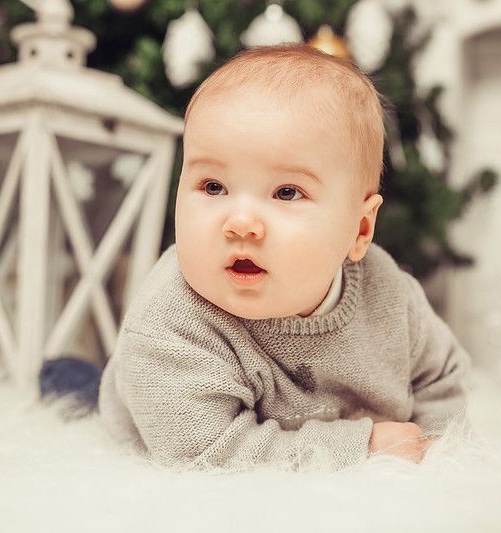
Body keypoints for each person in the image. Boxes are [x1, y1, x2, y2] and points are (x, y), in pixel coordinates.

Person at [98, 44, 471, 471]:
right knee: (74, 384)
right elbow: (205, 454)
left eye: (286, 192)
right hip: (150, 410)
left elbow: (441, 379)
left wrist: (432, 450)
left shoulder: (389, 296)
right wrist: (361, 449)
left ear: (360, 229)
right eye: (213, 187)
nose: (240, 223)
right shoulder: (169, 322)